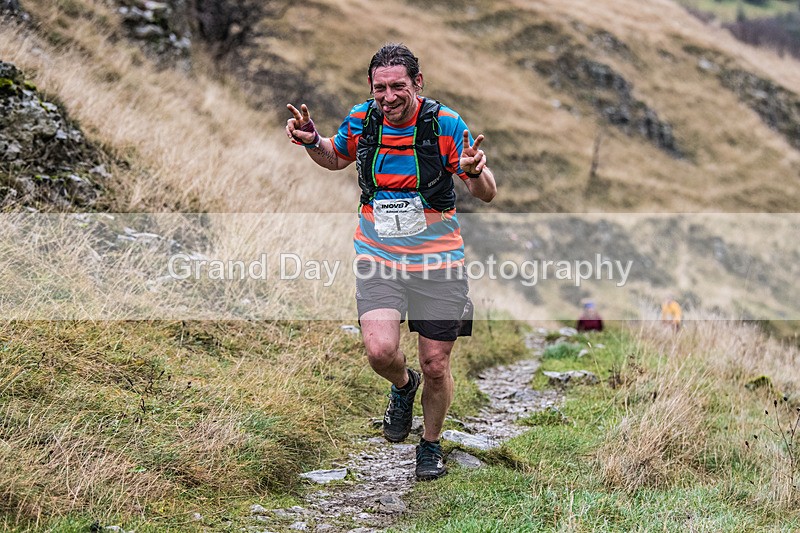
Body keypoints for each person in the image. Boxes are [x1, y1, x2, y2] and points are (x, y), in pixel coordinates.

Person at [286, 43, 496, 481]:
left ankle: (431, 445)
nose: (389, 96)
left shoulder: (445, 123)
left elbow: (486, 191)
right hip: (377, 256)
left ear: (417, 83)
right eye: (380, 87)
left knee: (436, 364)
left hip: (438, 264)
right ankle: (403, 386)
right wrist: (311, 141)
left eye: (398, 86)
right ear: (371, 88)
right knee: (381, 351)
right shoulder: (362, 119)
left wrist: (475, 171)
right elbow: (335, 155)